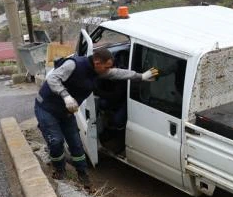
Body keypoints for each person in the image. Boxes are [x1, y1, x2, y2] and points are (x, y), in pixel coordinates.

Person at [34, 47, 157, 188]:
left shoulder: (97, 71)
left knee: (76, 144)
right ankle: (59, 169)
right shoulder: (74, 65)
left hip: (66, 112)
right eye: (106, 67)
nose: (108, 70)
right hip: (47, 108)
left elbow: (116, 73)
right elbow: (53, 78)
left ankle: (82, 174)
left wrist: (140, 76)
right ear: (97, 62)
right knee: (56, 141)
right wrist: (65, 95)